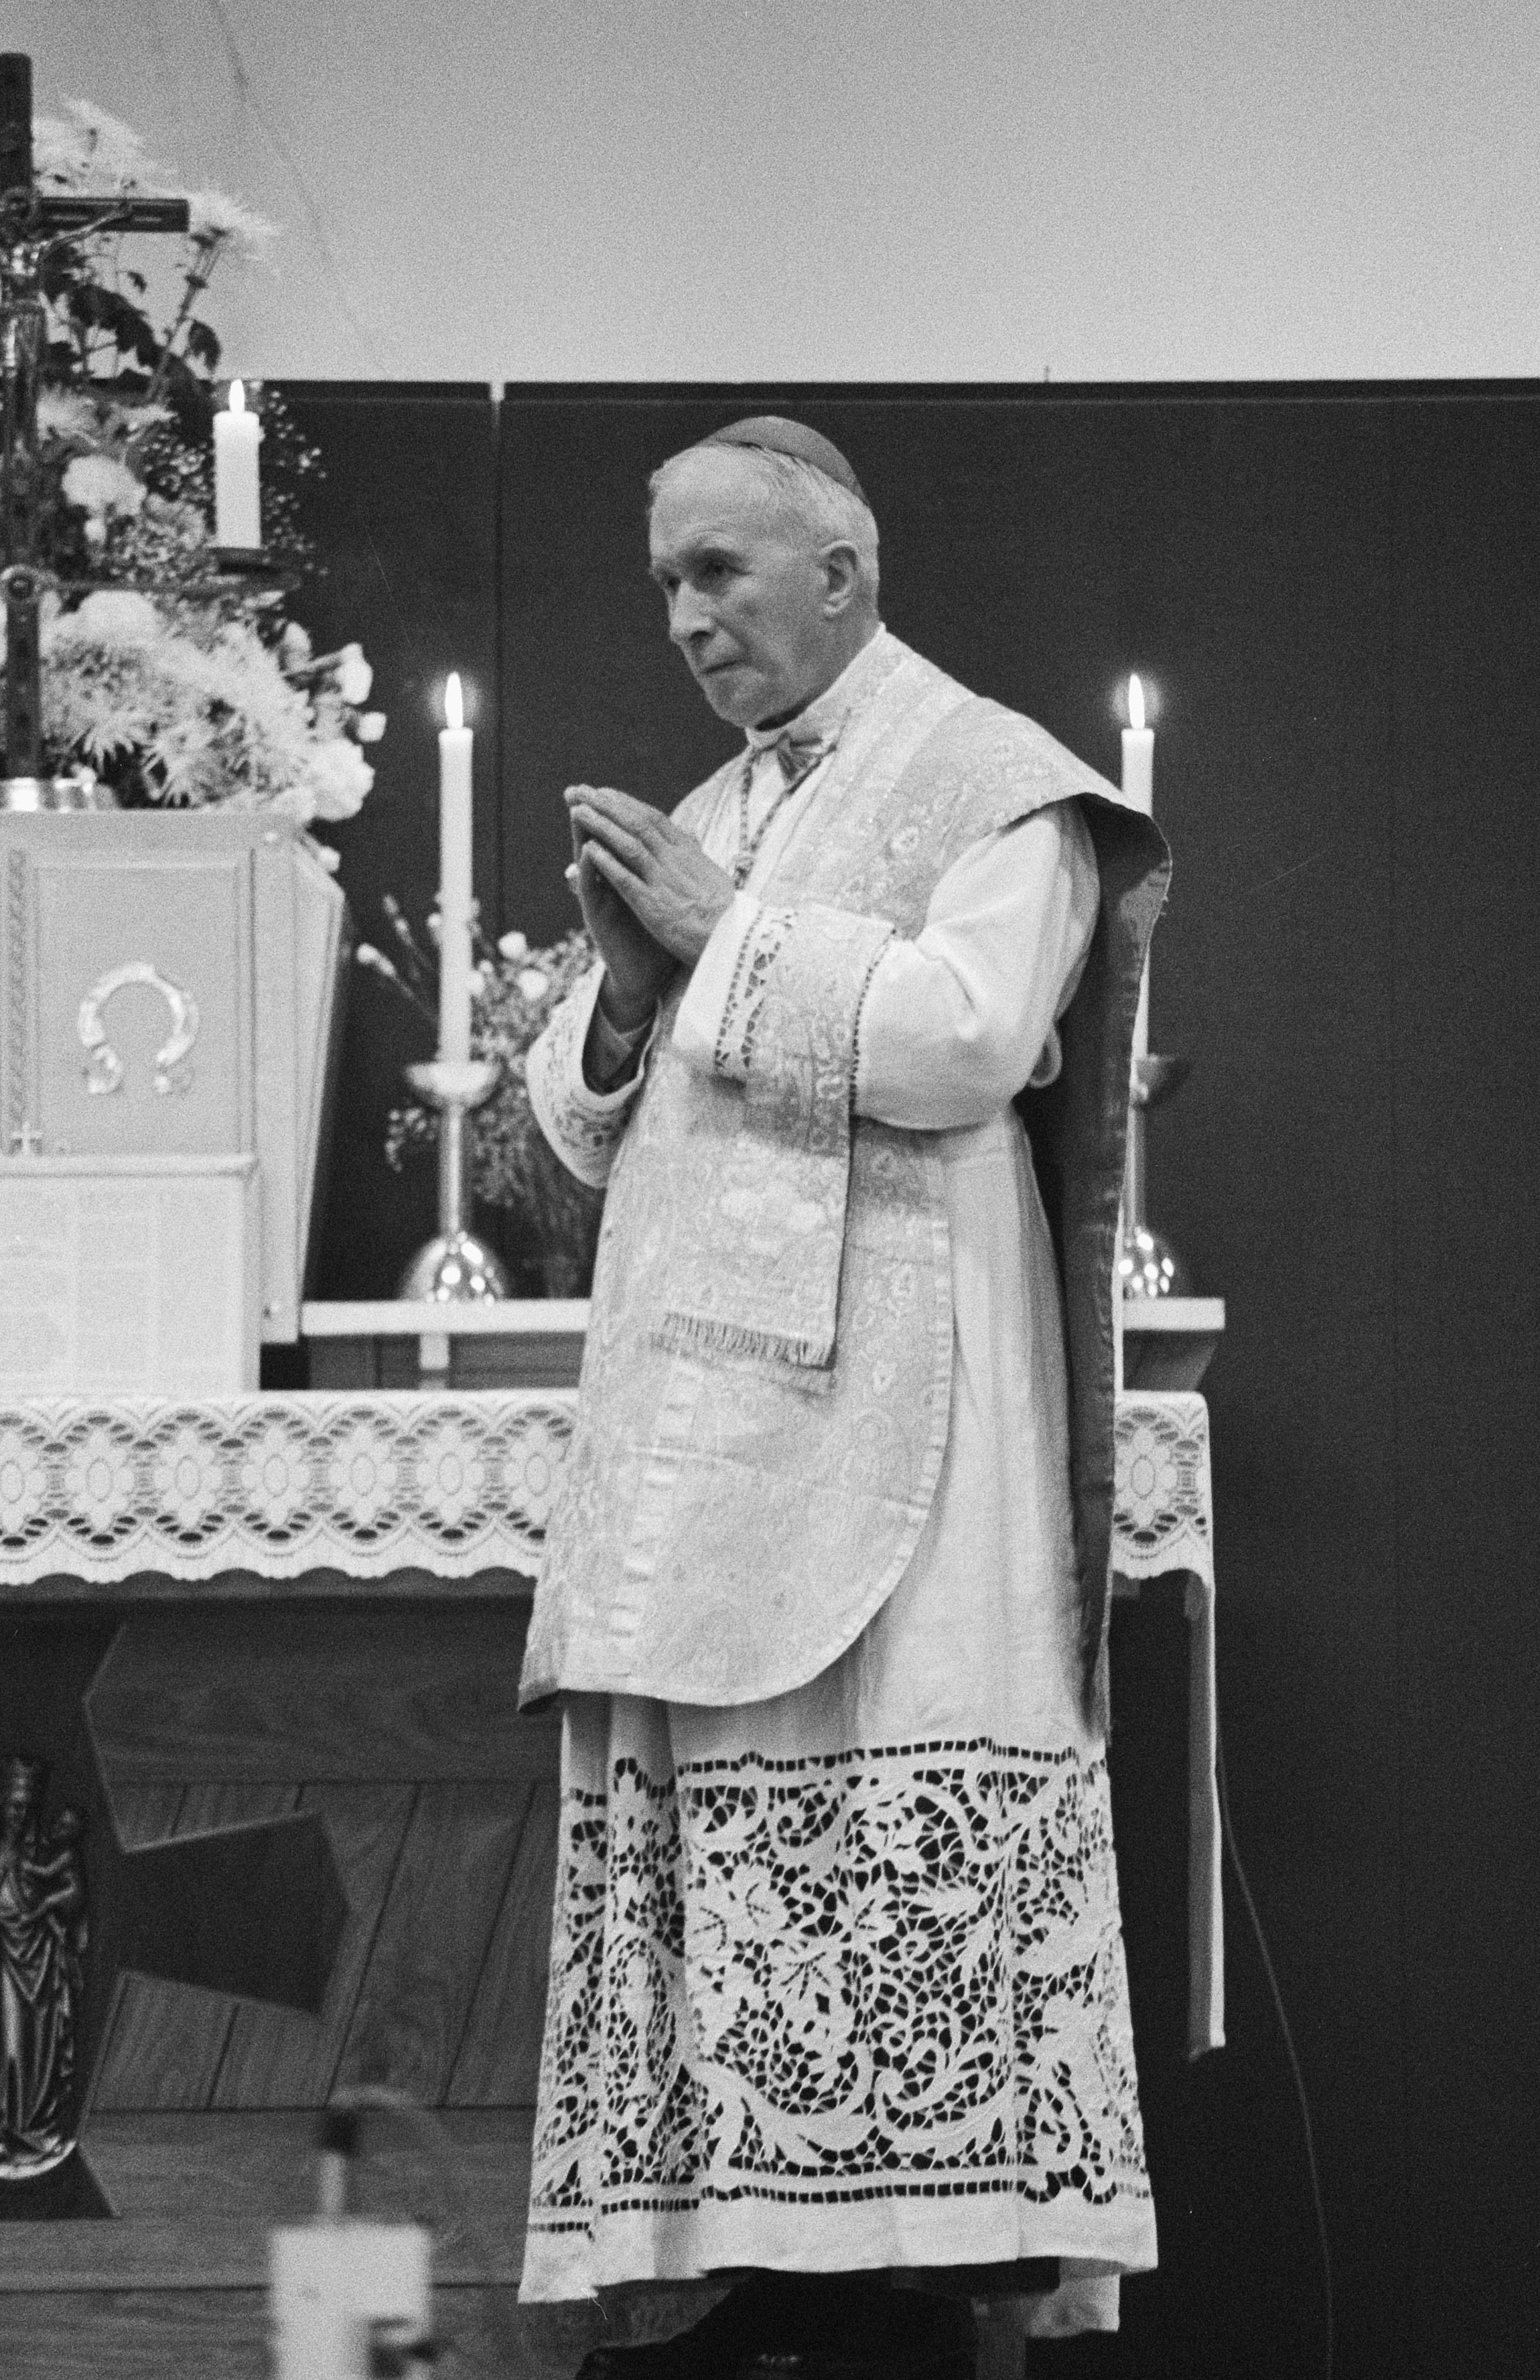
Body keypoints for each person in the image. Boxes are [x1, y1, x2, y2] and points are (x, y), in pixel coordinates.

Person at [516, 417, 1170, 2380]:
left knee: (894, 1788)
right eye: (664, 583)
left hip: (913, 1408)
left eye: (719, 570)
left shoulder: (992, 779)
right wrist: (627, 997)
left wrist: (721, 937)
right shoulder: (720, 804)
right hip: (711, 1422)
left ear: (843, 571)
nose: (685, 616)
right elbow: (578, 1119)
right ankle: (751, 2268)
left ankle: (908, 2276)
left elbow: (970, 1040)